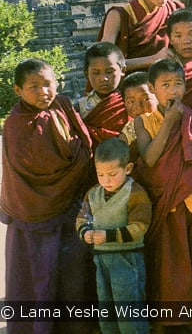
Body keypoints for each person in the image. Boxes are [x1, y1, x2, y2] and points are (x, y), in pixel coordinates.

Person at [130, 60, 192, 332]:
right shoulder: (143, 122)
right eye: (165, 85)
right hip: (165, 205)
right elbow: (149, 159)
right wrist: (169, 123)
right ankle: (167, 323)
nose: (173, 90)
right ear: (152, 88)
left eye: (178, 84)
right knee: (169, 266)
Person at [1, 59, 93, 334]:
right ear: (18, 90)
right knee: (39, 277)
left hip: (68, 211)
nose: (43, 91)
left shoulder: (62, 105)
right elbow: (42, 166)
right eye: (34, 86)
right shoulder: (17, 124)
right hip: (34, 213)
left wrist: (77, 155)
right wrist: (76, 157)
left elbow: (83, 143)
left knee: (71, 276)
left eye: (48, 84)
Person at [76, 139, 152, 334]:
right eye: (100, 174)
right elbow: (82, 218)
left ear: (127, 168)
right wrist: (86, 233)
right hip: (101, 260)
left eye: (112, 174)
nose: (106, 180)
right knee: (106, 308)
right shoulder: (93, 194)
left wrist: (108, 236)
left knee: (128, 308)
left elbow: (139, 227)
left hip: (126, 259)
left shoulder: (135, 193)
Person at [99, 0, 184, 71]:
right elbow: (104, 62)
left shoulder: (174, 9)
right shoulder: (119, 15)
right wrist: (152, 59)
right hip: (131, 83)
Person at [78, 41, 129, 145]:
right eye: (96, 73)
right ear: (86, 74)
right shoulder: (79, 107)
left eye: (109, 72)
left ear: (122, 70)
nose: (103, 78)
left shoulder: (130, 100)